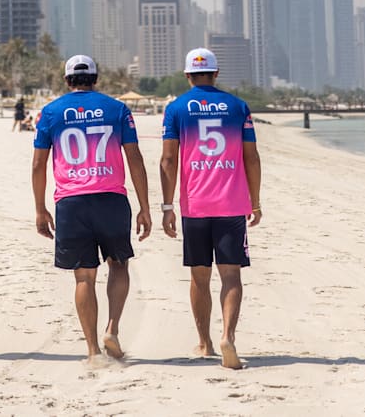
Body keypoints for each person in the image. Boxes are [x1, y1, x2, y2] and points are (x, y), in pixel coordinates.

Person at [32, 55, 152, 363]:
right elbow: (134, 158)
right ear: (96, 78)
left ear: (67, 80)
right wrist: (145, 206)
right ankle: (112, 327)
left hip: (71, 203)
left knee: (84, 277)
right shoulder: (118, 109)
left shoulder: (50, 112)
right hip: (111, 198)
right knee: (119, 265)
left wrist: (40, 209)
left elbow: (38, 164)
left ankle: (92, 349)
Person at [160, 47, 262, 370]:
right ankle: (228, 337)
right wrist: (255, 201)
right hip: (231, 204)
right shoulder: (238, 107)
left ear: (187, 75)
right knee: (231, 276)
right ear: (216, 74)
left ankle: (204, 343)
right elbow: (252, 157)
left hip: (195, 205)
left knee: (199, 277)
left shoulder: (176, 109)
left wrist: (166, 205)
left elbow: (168, 159)